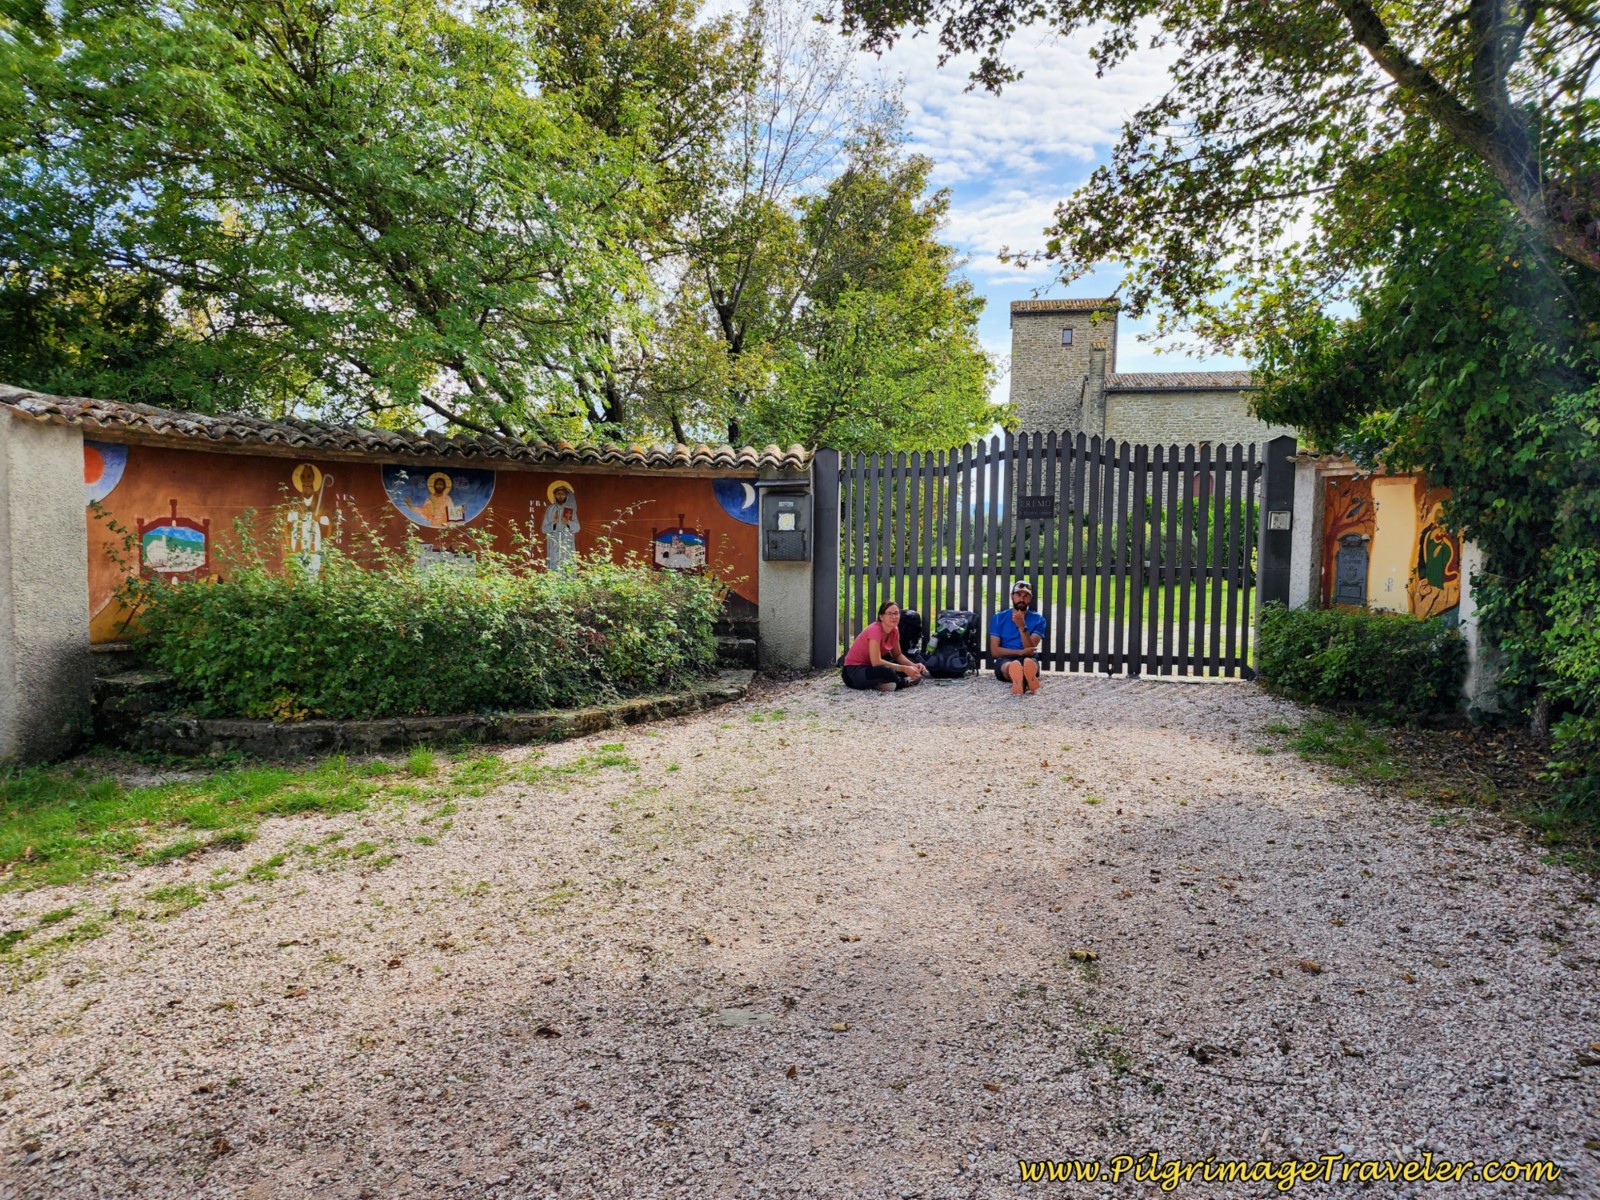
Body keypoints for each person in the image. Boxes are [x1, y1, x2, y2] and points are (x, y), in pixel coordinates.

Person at [841, 601, 929, 692]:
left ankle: (880, 686)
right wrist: (904, 668)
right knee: (887, 670)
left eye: (896, 613)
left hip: (871, 668)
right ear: (881, 617)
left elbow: (898, 655)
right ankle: (902, 683)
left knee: (906, 664)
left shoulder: (894, 630)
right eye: (889, 614)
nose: (893, 617)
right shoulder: (875, 630)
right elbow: (876, 662)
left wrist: (913, 666)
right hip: (853, 672)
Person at [990, 579, 1046, 695]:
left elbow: (1030, 650)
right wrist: (1020, 652)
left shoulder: (1039, 620)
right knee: (1007, 666)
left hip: (1029, 659)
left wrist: (1022, 626)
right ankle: (1020, 677)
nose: (1022, 599)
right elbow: (995, 651)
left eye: (1026, 596)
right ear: (1012, 596)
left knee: (1029, 663)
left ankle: (1022, 678)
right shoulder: (998, 618)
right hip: (1006, 658)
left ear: (1030, 599)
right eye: (1018, 594)